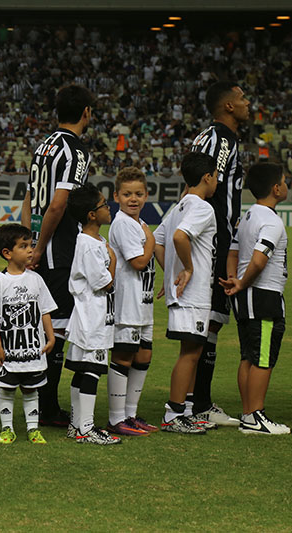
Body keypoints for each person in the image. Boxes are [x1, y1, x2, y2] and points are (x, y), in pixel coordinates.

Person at [21, 84, 94, 427]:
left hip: (40, 249)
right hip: (58, 253)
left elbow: (29, 198)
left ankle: (38, 404)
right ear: (86, 113)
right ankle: (46, 408)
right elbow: (58, 204)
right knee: (58, 330)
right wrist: (40, 248)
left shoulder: (44, 146)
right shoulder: (75, 151)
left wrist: (28, 242)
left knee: (42, 328)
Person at [188, 81, 250, 426]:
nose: (247, 103)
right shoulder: (220, 140)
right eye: (242, 98)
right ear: (228, 106)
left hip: (213, 240)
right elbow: (203, 188)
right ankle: (198, 403)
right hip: (214, 242)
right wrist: (215, 239)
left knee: (208, 320)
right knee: (208, 319)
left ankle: (195, 399)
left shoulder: (213, 138)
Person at [218, 163, 290, 435]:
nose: (287, 185)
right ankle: (255, 416)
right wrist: (242, 282)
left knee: (248, 356)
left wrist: (234, 279)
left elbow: (233, 252)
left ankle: (249, 414)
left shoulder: (248, 216)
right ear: (276, 188)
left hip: (246, 296)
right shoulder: (271, 220)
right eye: (284, 181)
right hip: (264, 295)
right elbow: (260, 260)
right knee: (263, 357)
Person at [153, 152, 219, 434]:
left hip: (184, 293)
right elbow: (179, 237)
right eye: (216, 176)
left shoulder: (179, 207)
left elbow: (156, 241)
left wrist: (170, 273)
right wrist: (188, 269)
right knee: (190, 353)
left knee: (193, 350)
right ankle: (174, 414)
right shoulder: (202, 207)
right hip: (192, 294)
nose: (217, 181)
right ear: (207, 177)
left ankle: (188, 411)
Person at [0, 224, 56, 445]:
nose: (30, 250)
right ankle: (7, 429)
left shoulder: (36, 279)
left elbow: (44, 310)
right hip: (8, 351)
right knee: (7, 389)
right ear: (7, 253)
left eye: (31, 245)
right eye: (23, 246)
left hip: (33, 350)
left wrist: (51, 336)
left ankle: (33, 429)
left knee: (31, 389)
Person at [63, 184, 121, 445]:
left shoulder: (95, 241)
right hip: (91, 319)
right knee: (91, 371)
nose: (108, 208)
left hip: (93, 317)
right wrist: (113, 261)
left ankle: (76, 425)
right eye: (103, 205)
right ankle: (86, 429)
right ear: (92, 214)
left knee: (82, 369)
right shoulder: (88, 244)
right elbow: (104, 282)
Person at [106, 168, 159, 436]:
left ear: (146, 195)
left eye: (138, 194)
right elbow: (138, 262)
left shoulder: (140, 223)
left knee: (143, 355)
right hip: (127, 303)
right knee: (124, 356)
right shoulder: (123, 223)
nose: (133, 199)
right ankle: (116, 418)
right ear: (116, 196)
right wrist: (151, 241)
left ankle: (131, 414)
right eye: (127, 194)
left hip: (143, 303)